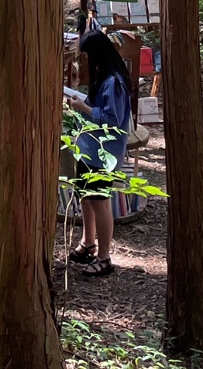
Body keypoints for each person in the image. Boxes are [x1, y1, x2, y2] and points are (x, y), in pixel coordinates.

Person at [65, 31, 133, 278]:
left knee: (100, 201)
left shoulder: (114, 82)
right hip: (88, 148)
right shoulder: (103, 77)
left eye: (85, 56)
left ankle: (104, 258)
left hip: (103, 153)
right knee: (86, 195)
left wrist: (83, 107)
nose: (82, 61)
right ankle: (88, 242)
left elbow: (112, 120)